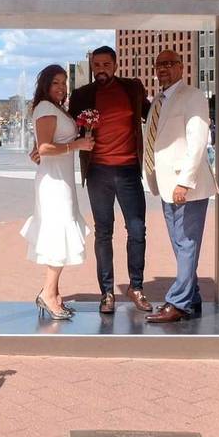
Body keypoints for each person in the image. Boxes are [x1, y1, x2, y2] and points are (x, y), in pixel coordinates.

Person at [64, 45, 153, 313]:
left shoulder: (132, 88)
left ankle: (136, 287)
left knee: (137, 230)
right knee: (104, 233)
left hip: (128, 170)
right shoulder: (82, 95)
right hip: (98, 172)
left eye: (105, 64)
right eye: (96, 65)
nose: (100, 69)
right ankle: (107, 293)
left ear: (115, 65)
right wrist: (42, 144)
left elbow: (153, 115)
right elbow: (67, 127)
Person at [143, 50, 217, 323]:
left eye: (170, 63)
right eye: (159, 64)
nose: (163, 68)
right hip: (165, 185)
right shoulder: (158, 100)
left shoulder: (193, 96)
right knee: (180, 243)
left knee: (185, 242)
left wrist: (184, 182)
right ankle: (192, 296)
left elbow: (197, 141)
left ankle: (178, 302)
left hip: (186, 186)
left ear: (181, 67)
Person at [21, 64, 94, 320]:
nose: (62, 87)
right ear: (45, 85)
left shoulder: (55, 109)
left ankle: (53, 291)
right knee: (59, 233)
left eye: (64, 83)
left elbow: (40, 148)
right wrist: (78, 144)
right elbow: (45, 148)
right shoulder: (45, 108)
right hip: (53, 183)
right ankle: (48, 293)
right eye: (56, 83)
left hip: (60, 179)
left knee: (62, 230)